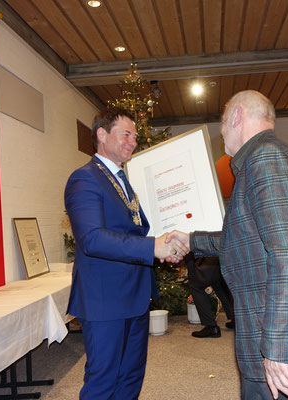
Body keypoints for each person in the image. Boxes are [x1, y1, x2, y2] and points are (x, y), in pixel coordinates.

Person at [167, 90, 288, 400]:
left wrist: (277, 350)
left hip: (282, 341)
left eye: (223, 121)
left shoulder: (264, 159)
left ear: (237, 116)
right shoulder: (275, 155)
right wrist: (193, 240)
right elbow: (252, 238)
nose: (222, 129)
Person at [64, 108, 188, 399]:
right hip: (105, 298)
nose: (133, 141)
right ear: (102, 134)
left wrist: (162, 249)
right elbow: (91, 239)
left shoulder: (122, 180)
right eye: (126, 135)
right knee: (103, 380)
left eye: (134, 136)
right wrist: (152, 247)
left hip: (135, 294)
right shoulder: (84, 178)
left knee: (131, 376)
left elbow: (133, 231)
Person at [186, 255, 235, 338]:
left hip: (210, 256)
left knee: (196, 285)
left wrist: (192, 275)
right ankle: (236, 319)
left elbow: (189, 252)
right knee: (217, 281)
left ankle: (211, 326)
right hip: (222, 255)